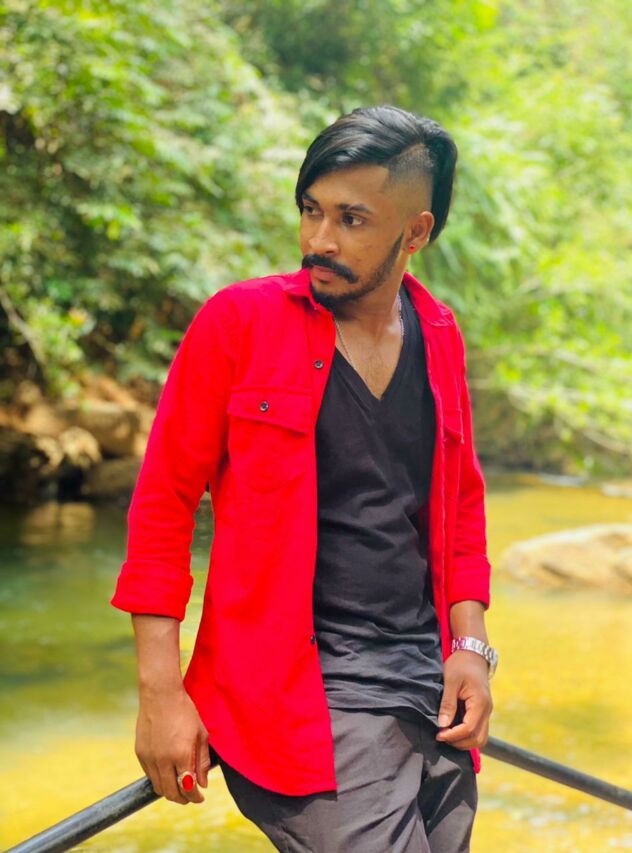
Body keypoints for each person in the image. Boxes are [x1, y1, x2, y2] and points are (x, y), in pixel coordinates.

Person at [111, 104, 497, 852]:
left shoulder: (439, 333)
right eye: (311, 210)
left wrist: (471, 649)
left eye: (352, 219)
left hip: (427, 689)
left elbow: (461, 504)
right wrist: (160, 694)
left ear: (415, 232)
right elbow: (162, 505)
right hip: (298, 705)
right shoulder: (240, 323)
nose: (320, 239)